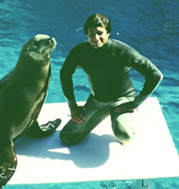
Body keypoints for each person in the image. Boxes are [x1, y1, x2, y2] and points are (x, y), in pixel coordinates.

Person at [59, 13, 163, 146]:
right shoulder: (79, 51)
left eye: (99, 33)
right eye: (91, 33)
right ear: (86, 34)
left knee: (123, 135)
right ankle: (105, 113)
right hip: (97, 100)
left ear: (108, 33)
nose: (95, 38)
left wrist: (135, 103)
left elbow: (155, 74)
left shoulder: (122, 51)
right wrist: (72, 106)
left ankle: (125, 118)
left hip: (123, 100)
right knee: (68, 137)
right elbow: (65, 74)